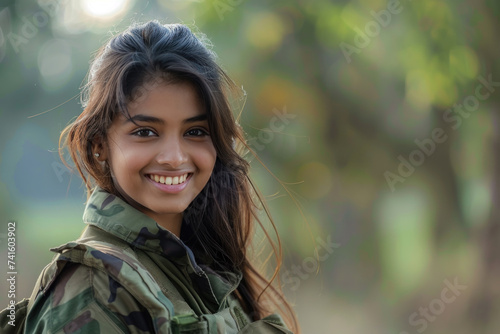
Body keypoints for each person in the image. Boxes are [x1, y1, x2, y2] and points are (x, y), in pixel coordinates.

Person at [23, 21, 299, 333]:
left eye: (195, 132)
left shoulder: (203, 272)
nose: (174, 157)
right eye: (145, 132)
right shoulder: (94, 289)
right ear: (100, 144)